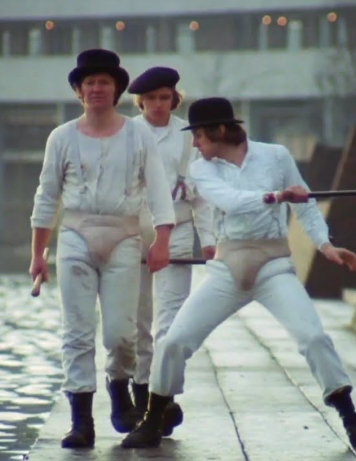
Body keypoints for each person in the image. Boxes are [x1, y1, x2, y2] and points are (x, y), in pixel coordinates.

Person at [120, 97, 356, 451]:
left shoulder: (276, 156)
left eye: (199, 135)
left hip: (273, 266)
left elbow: (305, 205)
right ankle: (152, 421)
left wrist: (326, 246)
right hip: (227, 269)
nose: (195, 143)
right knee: (173, 342)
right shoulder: (201, 169)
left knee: (313, 338)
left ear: (220, 130)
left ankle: (353, 421)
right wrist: (277, 196)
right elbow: (230, 200)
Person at [29, 49, 176, 449]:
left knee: (120, 333)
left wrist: (162, 240)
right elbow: (47, 196)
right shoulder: (62, 137)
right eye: (89, 82)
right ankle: (81, 422)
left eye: (104, 82)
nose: (96, 88)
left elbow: (159, 191)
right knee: (77, 332)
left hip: (124, 236)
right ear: (79, 90)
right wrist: (38, 254)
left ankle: (118, 385)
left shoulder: (138, 134)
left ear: (117, 89)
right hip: (76, 235)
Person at [126, 66, 217, 435]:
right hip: (133, 232)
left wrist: (208, 240)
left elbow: (202, 196)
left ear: (174, 98)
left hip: (177, 230)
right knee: (137, 321)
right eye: (151, 98)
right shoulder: (126, 132)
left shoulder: (187, 136)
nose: (158, 104)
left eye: (165, 97)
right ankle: (141, 389)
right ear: (141, 101)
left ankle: (163, 397)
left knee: (171, 322)